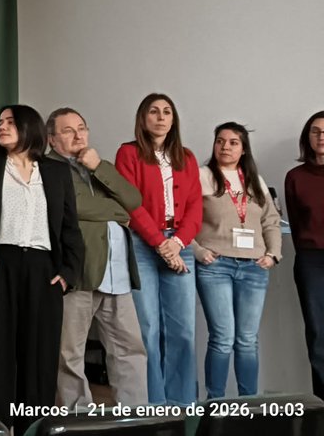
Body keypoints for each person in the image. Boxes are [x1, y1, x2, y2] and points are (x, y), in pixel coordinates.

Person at [0, 105, 83, 432]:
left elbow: (70, 228)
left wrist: (68, 274)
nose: (1, 127)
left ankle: (33, 428)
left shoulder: (57, 172)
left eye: (10, 122)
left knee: (39, 359)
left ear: (30, 128)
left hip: (44, 271)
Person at [47, 108, 147, 409]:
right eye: (68, 130)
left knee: (130, 349)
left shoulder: (98, 166)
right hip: (80, 273)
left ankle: (135, 415)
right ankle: (78, 417)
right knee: (69, 353)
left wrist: (98, 166)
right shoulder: (48, 168)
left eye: (82, 128)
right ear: (51, 139)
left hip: (117, 272)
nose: (78, 135)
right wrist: (119, 211)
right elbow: (75, 207)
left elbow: (134, 200)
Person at [114, 93, 201, 406]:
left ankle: (182, 405)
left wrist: (176, 243)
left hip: (180, 245)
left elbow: (195, 206)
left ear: (173, 119)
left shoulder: (186, 157)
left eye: (167, 112)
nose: (161, 117)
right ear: (143, 117)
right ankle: (152, 405)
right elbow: (130, 202)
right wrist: (160, 243)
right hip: (142, 246)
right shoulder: (128, 153)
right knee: (147, 329)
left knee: (183, 331)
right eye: (154, 111)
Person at [192, 122, 281, 398]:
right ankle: (215, 404)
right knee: (222, 338)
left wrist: (273, 254)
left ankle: (248, 404)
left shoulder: (255, 180)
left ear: (243, 149)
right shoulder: (202, 176)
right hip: (215, 266)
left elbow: (271, 220)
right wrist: (198, 251)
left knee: (247, 340)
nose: (225, 147)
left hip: (254, 267)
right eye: (220, 141)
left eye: (233, 142)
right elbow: (184, 219)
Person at [286, 110, 324, 398]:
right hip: (312, 261)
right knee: (318, 333)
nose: (321, 137)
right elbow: (296, 225)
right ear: (307, 137)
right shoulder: (295, 177)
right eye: (315, 131)